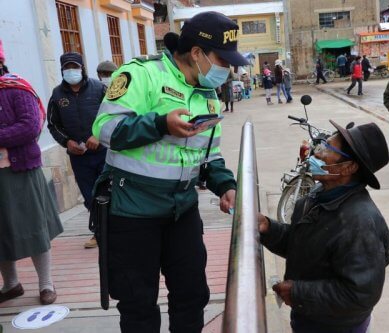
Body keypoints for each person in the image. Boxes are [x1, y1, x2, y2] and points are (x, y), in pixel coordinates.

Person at [91, 11, 245, 332]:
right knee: (138, 304)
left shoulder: (208, 97)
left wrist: (225, 186)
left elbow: (209, 157)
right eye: (223, 60)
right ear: (197, 53)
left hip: (182, 211)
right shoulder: (142, 75)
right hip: (132, 212)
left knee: (192, 295)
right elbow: (106, 130)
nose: (227, 70)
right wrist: (160, 124)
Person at [258, 121, 389, 333]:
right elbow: (303, 243)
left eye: (326, 149)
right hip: (309, 318)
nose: (317, 153)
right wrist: (268, 228)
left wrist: (298, 293)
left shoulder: (360, 223)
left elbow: (360, 294)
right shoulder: (316, 195)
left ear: (348, 167)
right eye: (321, 145)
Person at [0, 45, 63, 305]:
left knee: (35, 228)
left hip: (20, 170)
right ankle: (11, 284)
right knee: (1, 232)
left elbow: (29, 126)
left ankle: (46, 284)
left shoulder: (16, 88)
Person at [47, 52, 107, 249]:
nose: (71, 71)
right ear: (62, 69)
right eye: (67, 67)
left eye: (75, 67)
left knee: (109, 192)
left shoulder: (99, 89)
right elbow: (53, 125)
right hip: (79, 158)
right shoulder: (57, 95)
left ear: (82, 68)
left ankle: (114, 232)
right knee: (90, 196)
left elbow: (114, 114)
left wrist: (99, 135)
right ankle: (98, 233)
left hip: (103, 153)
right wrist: (67, 142)